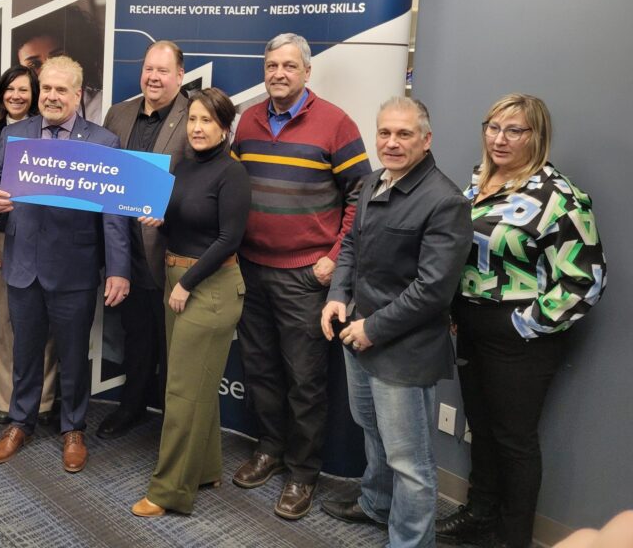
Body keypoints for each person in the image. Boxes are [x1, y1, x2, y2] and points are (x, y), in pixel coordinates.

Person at [436, 94, 606, 548]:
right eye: (493, 127)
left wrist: (523, 325)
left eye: (515, 130)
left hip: (521, 335)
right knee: (482, 428)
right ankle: (479, 514)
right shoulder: (479, 182)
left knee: (514, 440)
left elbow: (585, 278)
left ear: (538, 136)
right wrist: (456, 307)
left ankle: (512, 537)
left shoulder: (558, 196)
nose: (500, 138)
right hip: (471, 324)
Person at [318, 97, 471, 548]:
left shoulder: (445, 202)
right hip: (357, 335)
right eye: (385, 132)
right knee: (372, 431)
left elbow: (433, 290)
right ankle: (376, 504)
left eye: (404, 134)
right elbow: (350, 247)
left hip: (401, 349)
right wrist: (337, 296)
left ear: (426, 140)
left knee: (411, 461)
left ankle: (409, 541)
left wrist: (372, 328)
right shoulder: (370, 183)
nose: (392, 142)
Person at [231, 32, 371, 519]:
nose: (279, 74)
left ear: (307, 72)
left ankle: (302, 474)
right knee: (261, 371)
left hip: (305, 277)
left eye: (290, 66)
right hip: (251, 269)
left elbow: (362, 198)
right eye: (272, 65)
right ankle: (269, 450)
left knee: (305, 380)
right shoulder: (247, 120)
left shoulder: (336, 123)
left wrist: (334, 256)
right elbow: (232, 190)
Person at [0, 55, 130, 474]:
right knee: (25, 352)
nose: (51, 96)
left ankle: (73, 429)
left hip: (76, 268)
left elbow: (114, 213)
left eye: (61, 90)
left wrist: (118, 269)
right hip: (23, 264)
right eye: (46, 88)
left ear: (78, 95)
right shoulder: (15, 134)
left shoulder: (102, 143)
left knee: (73, 354)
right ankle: (19, 422)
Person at [130, 88, 251, 517]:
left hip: (211, 287)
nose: (198, 128)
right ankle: (205, 469)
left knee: (182, 392)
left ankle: (169, 492)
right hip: (177, 279)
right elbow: (181, 228)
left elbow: (227, 239)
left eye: (207, 121)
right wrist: (161, 224)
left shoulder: (231, 174)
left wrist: (187, 284)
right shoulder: (181, 168)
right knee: (195, 387)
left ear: (224, 127)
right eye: (193, 120)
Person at [99, 41, 193, 439]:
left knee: (177, 345)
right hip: (126, 251)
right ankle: (132, 407)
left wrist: (169, 210)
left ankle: (174, 428)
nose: (153, 77)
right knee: (135, 335)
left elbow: (207, 183)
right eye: (148, 69)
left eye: (163, 71)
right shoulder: (118, 114)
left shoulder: (195, 116)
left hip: (174, 251)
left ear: (180, 76)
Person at [0, 65, 58, 426]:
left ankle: (41, 402)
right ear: (1, 93)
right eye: (10, 89)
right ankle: (7, 399)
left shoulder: (51, 133)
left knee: (43, 322)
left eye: (25, 90)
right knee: (6, 321)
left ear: (37, 94)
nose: (17, 96)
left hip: (45, 236)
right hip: (2, 236)